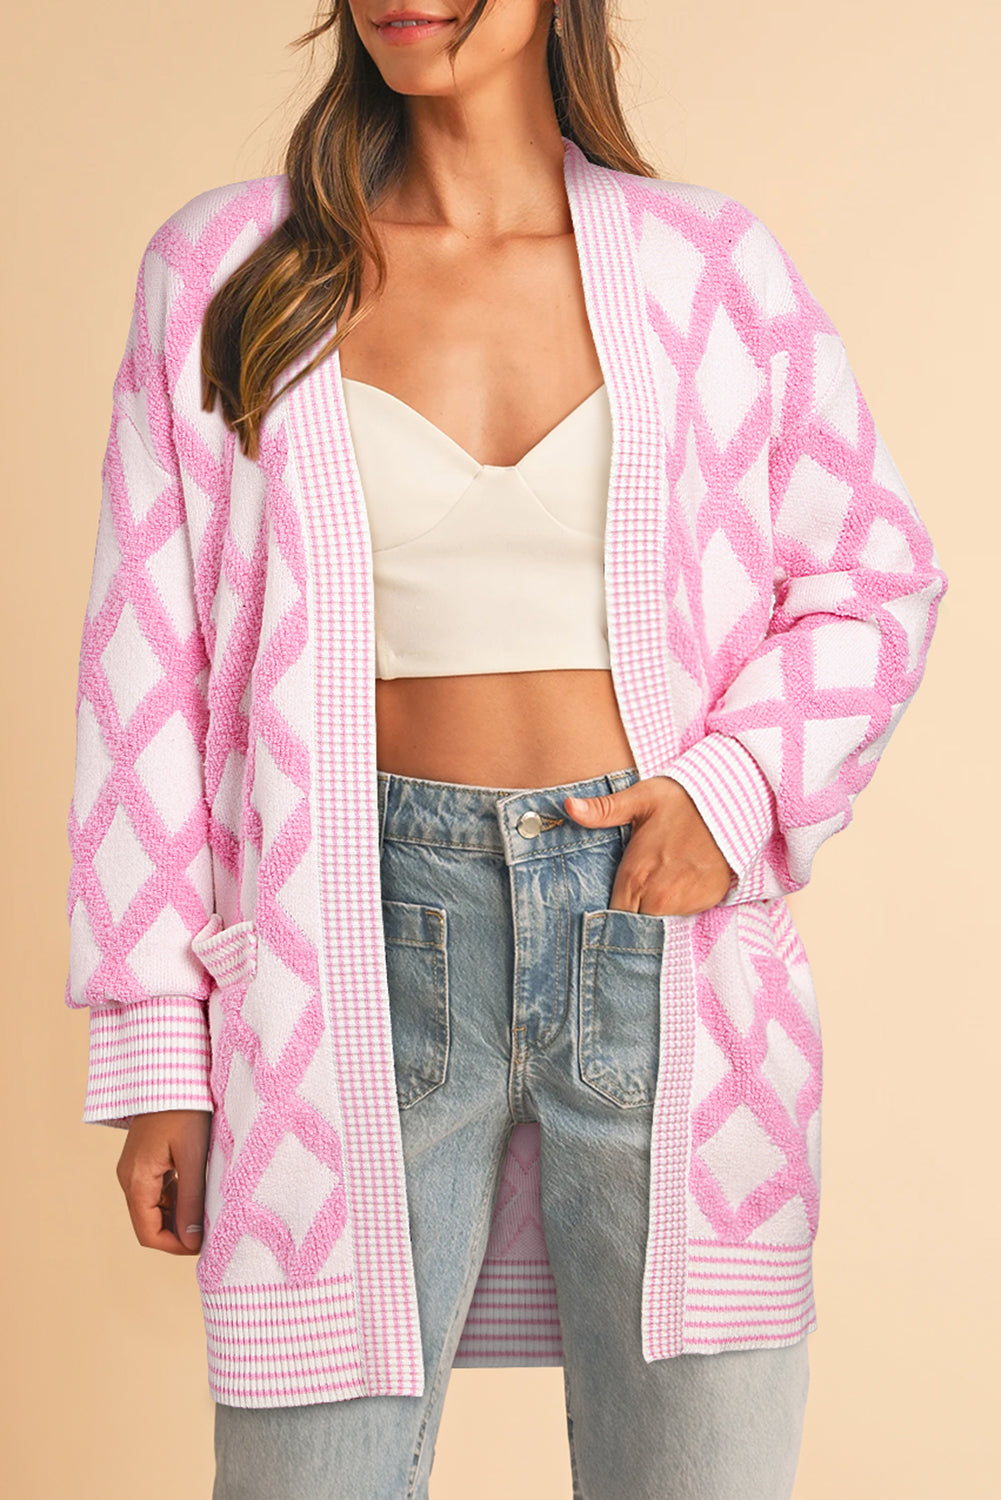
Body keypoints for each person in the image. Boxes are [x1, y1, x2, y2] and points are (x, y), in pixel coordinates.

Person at [64, 2, 948, 1497]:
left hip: (663, 949)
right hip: (343, 945)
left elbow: (873, 575)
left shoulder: (711, 269)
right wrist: (161, 1048)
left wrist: (733, 791)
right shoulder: (226, 269)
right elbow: (146, 663)